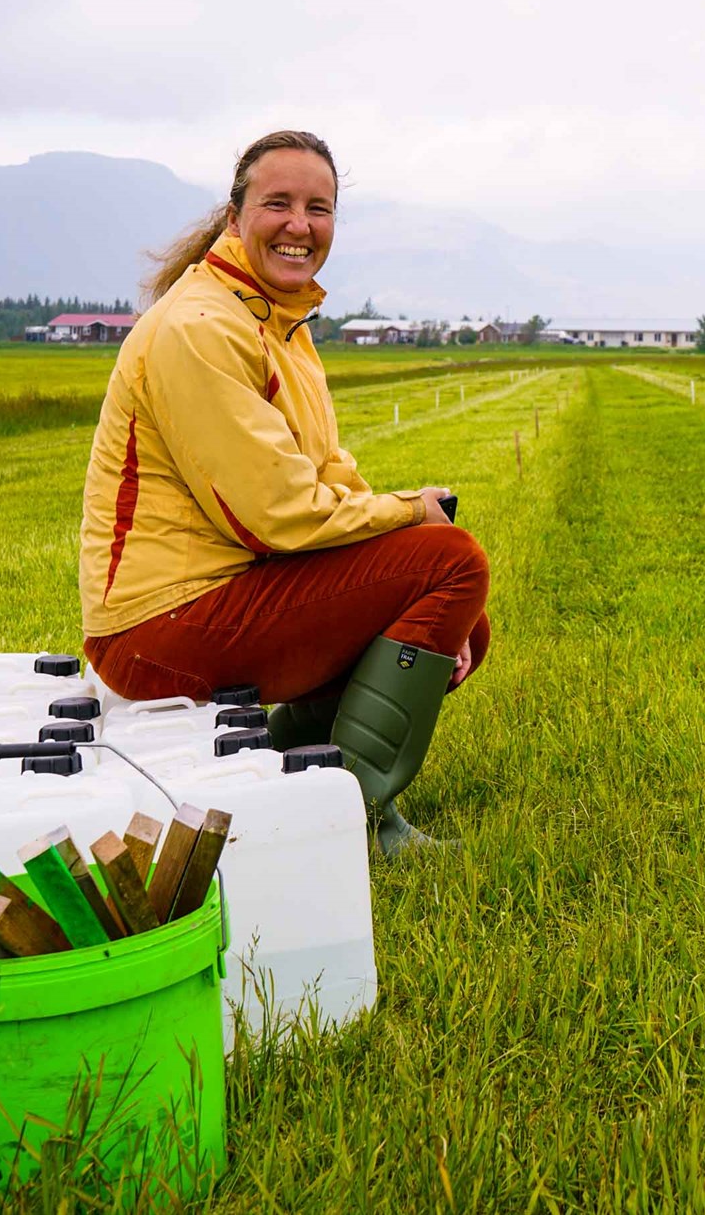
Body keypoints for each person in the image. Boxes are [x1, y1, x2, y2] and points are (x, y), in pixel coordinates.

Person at [78, 129, 489, 855]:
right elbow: (272, 518)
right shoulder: (201, 326)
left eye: (318, 208)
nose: (300, 224)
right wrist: (410, 514)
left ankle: (286, 768)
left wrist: (404, 535)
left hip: (220, 597)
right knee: (451, 567)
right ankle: (351, 823)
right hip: (154, 629)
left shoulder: (278, 320)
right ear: (235, 218)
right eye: (279, 203)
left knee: (459, 611)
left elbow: (327, 473)